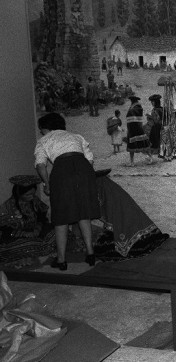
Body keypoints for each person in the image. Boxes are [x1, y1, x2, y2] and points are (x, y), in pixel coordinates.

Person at [34, 113, 100, 270]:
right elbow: (90, 159)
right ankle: (90, 254)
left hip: (62, 170)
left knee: (61, 216)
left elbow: (40, 165)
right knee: (83, 212)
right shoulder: (76, 136)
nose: (41, 132)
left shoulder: (44, 140)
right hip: (83, 167)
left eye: (41, 130)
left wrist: (46, 183)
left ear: (45, 128)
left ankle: (61, 260)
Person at [0, 175, 53, 265]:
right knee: (27, 246)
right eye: (28, 195)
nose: (32, 197)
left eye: (33, 194)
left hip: (36, 232)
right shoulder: (7, 207)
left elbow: (42, 218)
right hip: (16, 236)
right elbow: (5, 229)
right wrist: (25, 234)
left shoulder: (34, 201)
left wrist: (37, 228)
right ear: (19, 194)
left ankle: (43, 249)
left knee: (57, 232)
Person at [125, 96, 152, 166]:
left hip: (135, 128)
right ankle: (132, 162)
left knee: (142, 144)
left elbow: (132, 116)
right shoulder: (134, 107)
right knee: (135, 145)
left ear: (133, 101)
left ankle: (150, 157)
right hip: (133, 128)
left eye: (131, 101)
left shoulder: (136, 108)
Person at [146, 94, 164, 159]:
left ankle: (155, 153)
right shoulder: (162, 108)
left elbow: (156, 120)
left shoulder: (155, 110)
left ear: (155, 102)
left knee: (154, 139)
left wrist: (149, 116)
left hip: (157, 127)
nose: (151, 103)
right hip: (161, 126)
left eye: (152, 102)